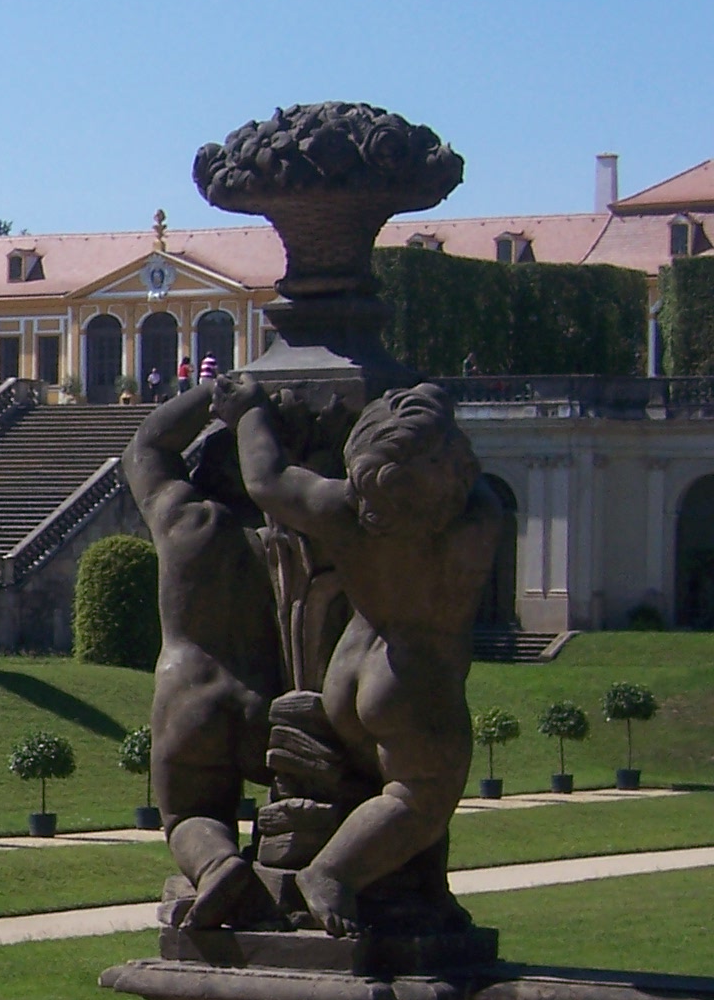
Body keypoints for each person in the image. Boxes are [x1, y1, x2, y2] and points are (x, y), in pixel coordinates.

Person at [221, 379, 500, 936]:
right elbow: (461, 469)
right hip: (412, 677)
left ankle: (424, 891)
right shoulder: (476, 517)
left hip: (348, 668)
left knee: (392, 785)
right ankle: (332, 873)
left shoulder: (344, 510)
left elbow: (267, 479)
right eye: (449, 452)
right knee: (422, 793)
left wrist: (248, 411)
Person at [123, 381, 282, 928]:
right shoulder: (285, 535)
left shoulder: (183, 518)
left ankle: (216, 865)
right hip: (270, 698)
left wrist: (214, 393)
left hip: (188, 693)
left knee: (190, 813)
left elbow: (145, 446)